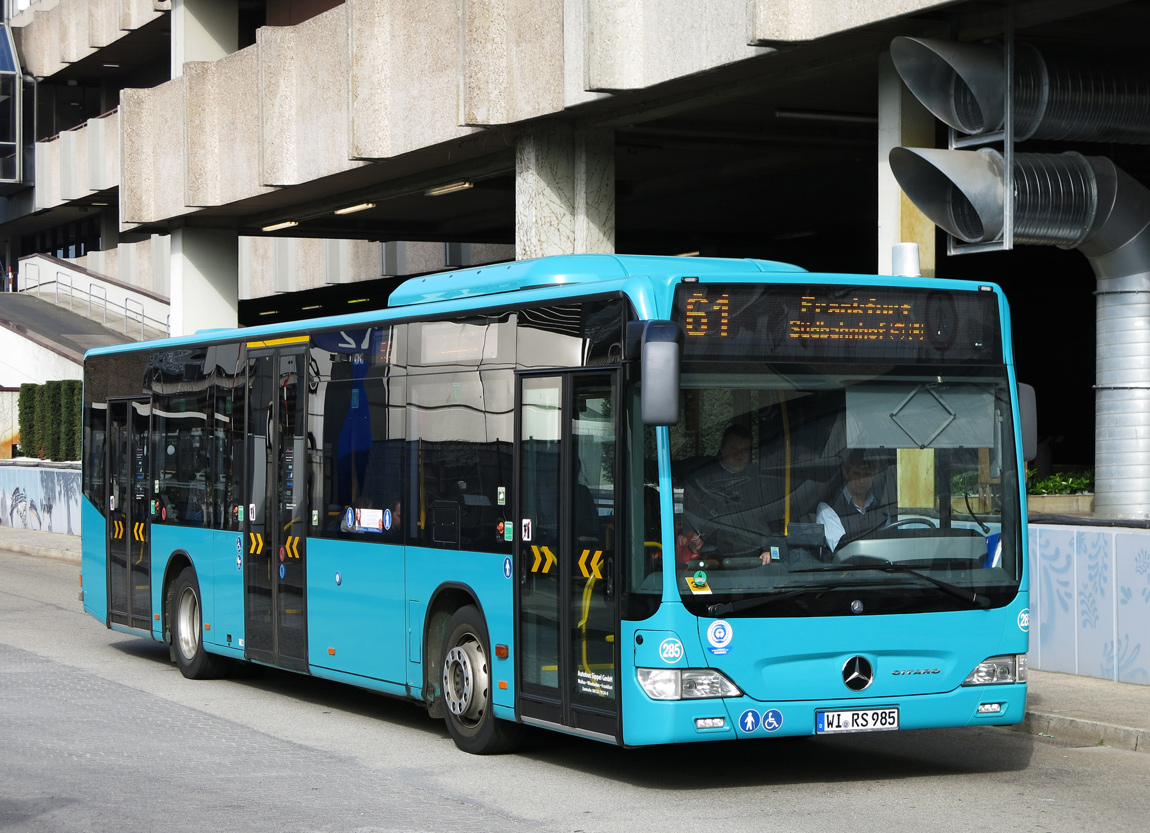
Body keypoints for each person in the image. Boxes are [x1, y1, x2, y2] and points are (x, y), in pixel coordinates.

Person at [681, 424, 778, 563]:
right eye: (733, 448)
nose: (739, 454)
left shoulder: (762, 482)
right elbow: (690, 524)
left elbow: (775, 521)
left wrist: (770, 549)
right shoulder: (700, 480)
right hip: (709, 559)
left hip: (754, 560)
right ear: (722, 447)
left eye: (744, 450)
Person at [816, 450, 892, 551]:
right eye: (857, 474)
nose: (861, 480)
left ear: (873, 476)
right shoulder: (826, 509)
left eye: (866, 474)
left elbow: (889, 547)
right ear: (846, 473)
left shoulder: (882, 511)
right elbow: (843, 549)